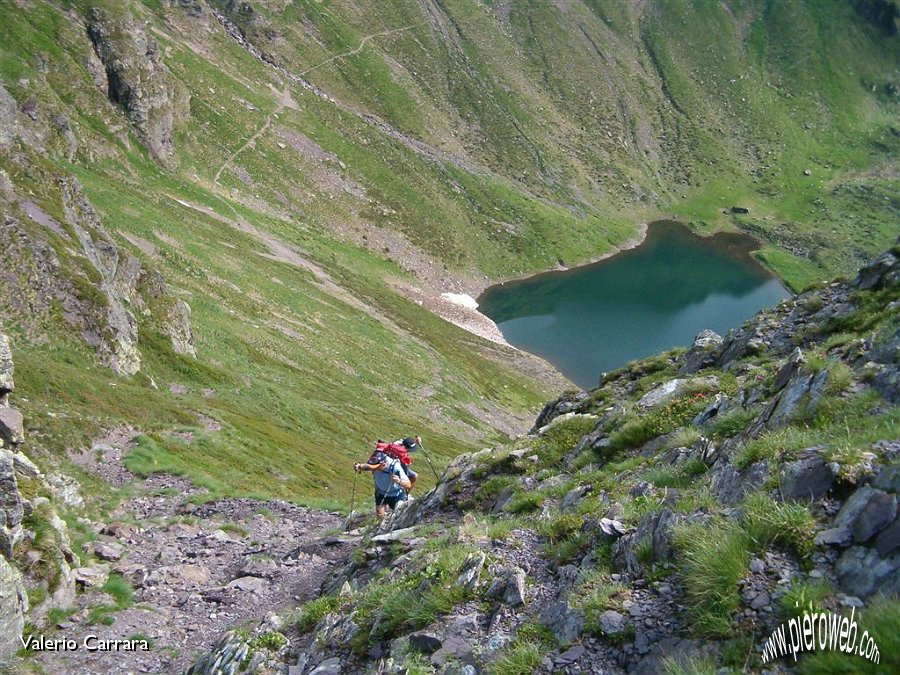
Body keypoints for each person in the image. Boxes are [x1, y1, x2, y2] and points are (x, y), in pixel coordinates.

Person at [354, 449, 412, 518]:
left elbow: (408, 484)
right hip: (380, 492)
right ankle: (380, 527)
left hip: (396, 495)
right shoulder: (376, 463)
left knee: (398, 516)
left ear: (384, 464)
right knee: (380, 516)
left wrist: (399, 481)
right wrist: (359, 466)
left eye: (377, 468)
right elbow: (368, 467)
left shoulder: (395, 467)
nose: (375, 470)